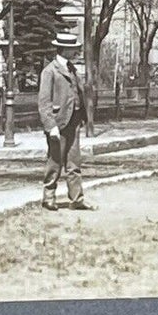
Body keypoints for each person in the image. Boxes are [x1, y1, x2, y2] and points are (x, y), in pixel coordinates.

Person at [37, 33, 93, 211]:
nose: (76, 51)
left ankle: (76, 199)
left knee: (74, 162)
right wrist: (50, 126)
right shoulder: (50, 71)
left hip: (74, 121)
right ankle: (49, 198)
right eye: (73, 48)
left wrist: (82, 117)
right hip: (58, 123)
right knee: (55, 161)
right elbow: (44, 102)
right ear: (64, 49)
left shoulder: (72, 69)